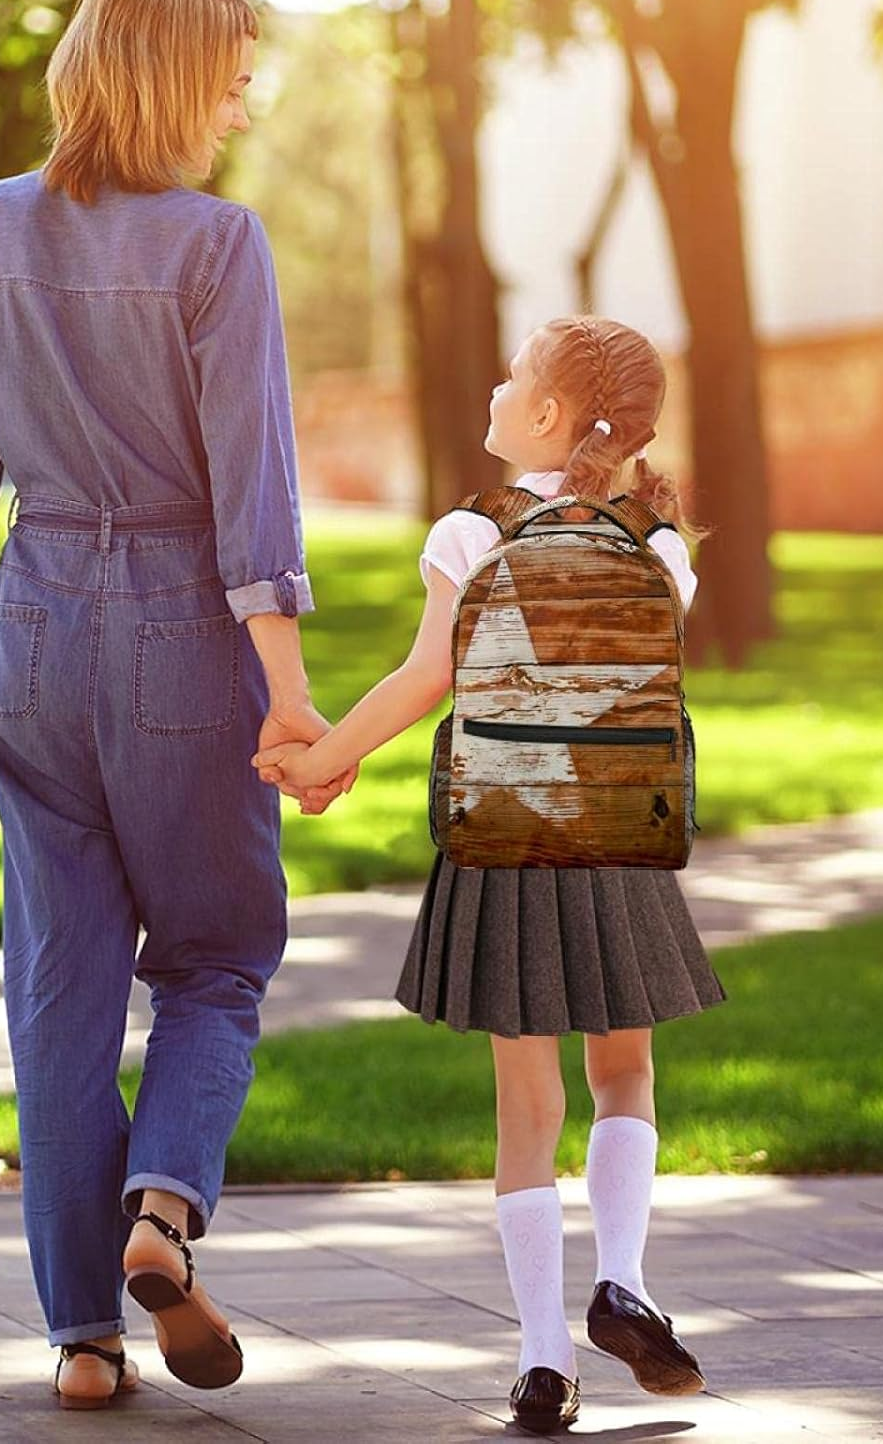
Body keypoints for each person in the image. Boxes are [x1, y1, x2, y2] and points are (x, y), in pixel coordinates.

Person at [0, 0, 355, 1411]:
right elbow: (253, 488)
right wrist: (290, 694)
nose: (239, 110)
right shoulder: (219, 244)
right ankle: (164, 1210)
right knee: (218, 957)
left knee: (61, 989)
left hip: (32, 627)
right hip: (181, 633)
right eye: (228, 84)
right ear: (168, 82)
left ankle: (82, 1339)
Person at [253, 316, 727, 1435]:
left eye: (513, 377)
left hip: (504, 837)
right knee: (625, 1074)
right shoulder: (660, 543)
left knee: (527, 1107)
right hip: (621, 837)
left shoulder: (473, 531)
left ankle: (543, 1360)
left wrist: (323, 760)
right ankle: (625, 1281)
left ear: (549, 414)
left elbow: (427, 675)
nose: (496, 390)